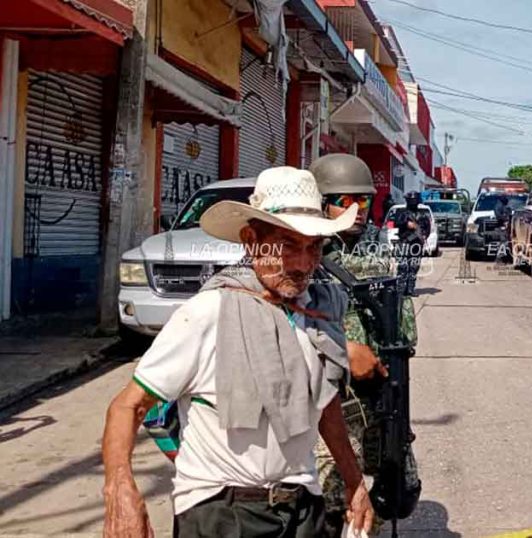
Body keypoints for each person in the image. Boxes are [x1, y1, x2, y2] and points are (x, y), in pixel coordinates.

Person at [101, 167, 375, 537]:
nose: (304, 263)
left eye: (314, 248)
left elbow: (324, 406)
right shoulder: (209, 313)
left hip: (302, 509)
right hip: (221, 513)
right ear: (251, 240)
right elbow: (127, 406)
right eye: (288, 245)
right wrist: (120, 489)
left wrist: (354, 482)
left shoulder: (317, 314)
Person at [309, 154, 422, 536]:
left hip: (379, 386)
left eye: (363, 201)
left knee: (400, 488)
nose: (356, 210)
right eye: (344, 200)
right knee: (335, 495)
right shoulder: (305, 249)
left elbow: (397, 320)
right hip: (331, 395)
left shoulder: (377, 246)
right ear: (322, 203)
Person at [393, 191, 432, 296]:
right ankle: (400, 289)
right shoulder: (401, 212)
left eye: (415, 200)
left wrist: (423, 235)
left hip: (416, 244)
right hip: (404, 242)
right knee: (403, 266)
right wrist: (406, 223)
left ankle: (410, 288)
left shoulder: (423, 214)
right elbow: (396, 222)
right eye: (411, 200)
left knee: (414, 266)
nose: (413, 202)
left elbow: (427, 228)